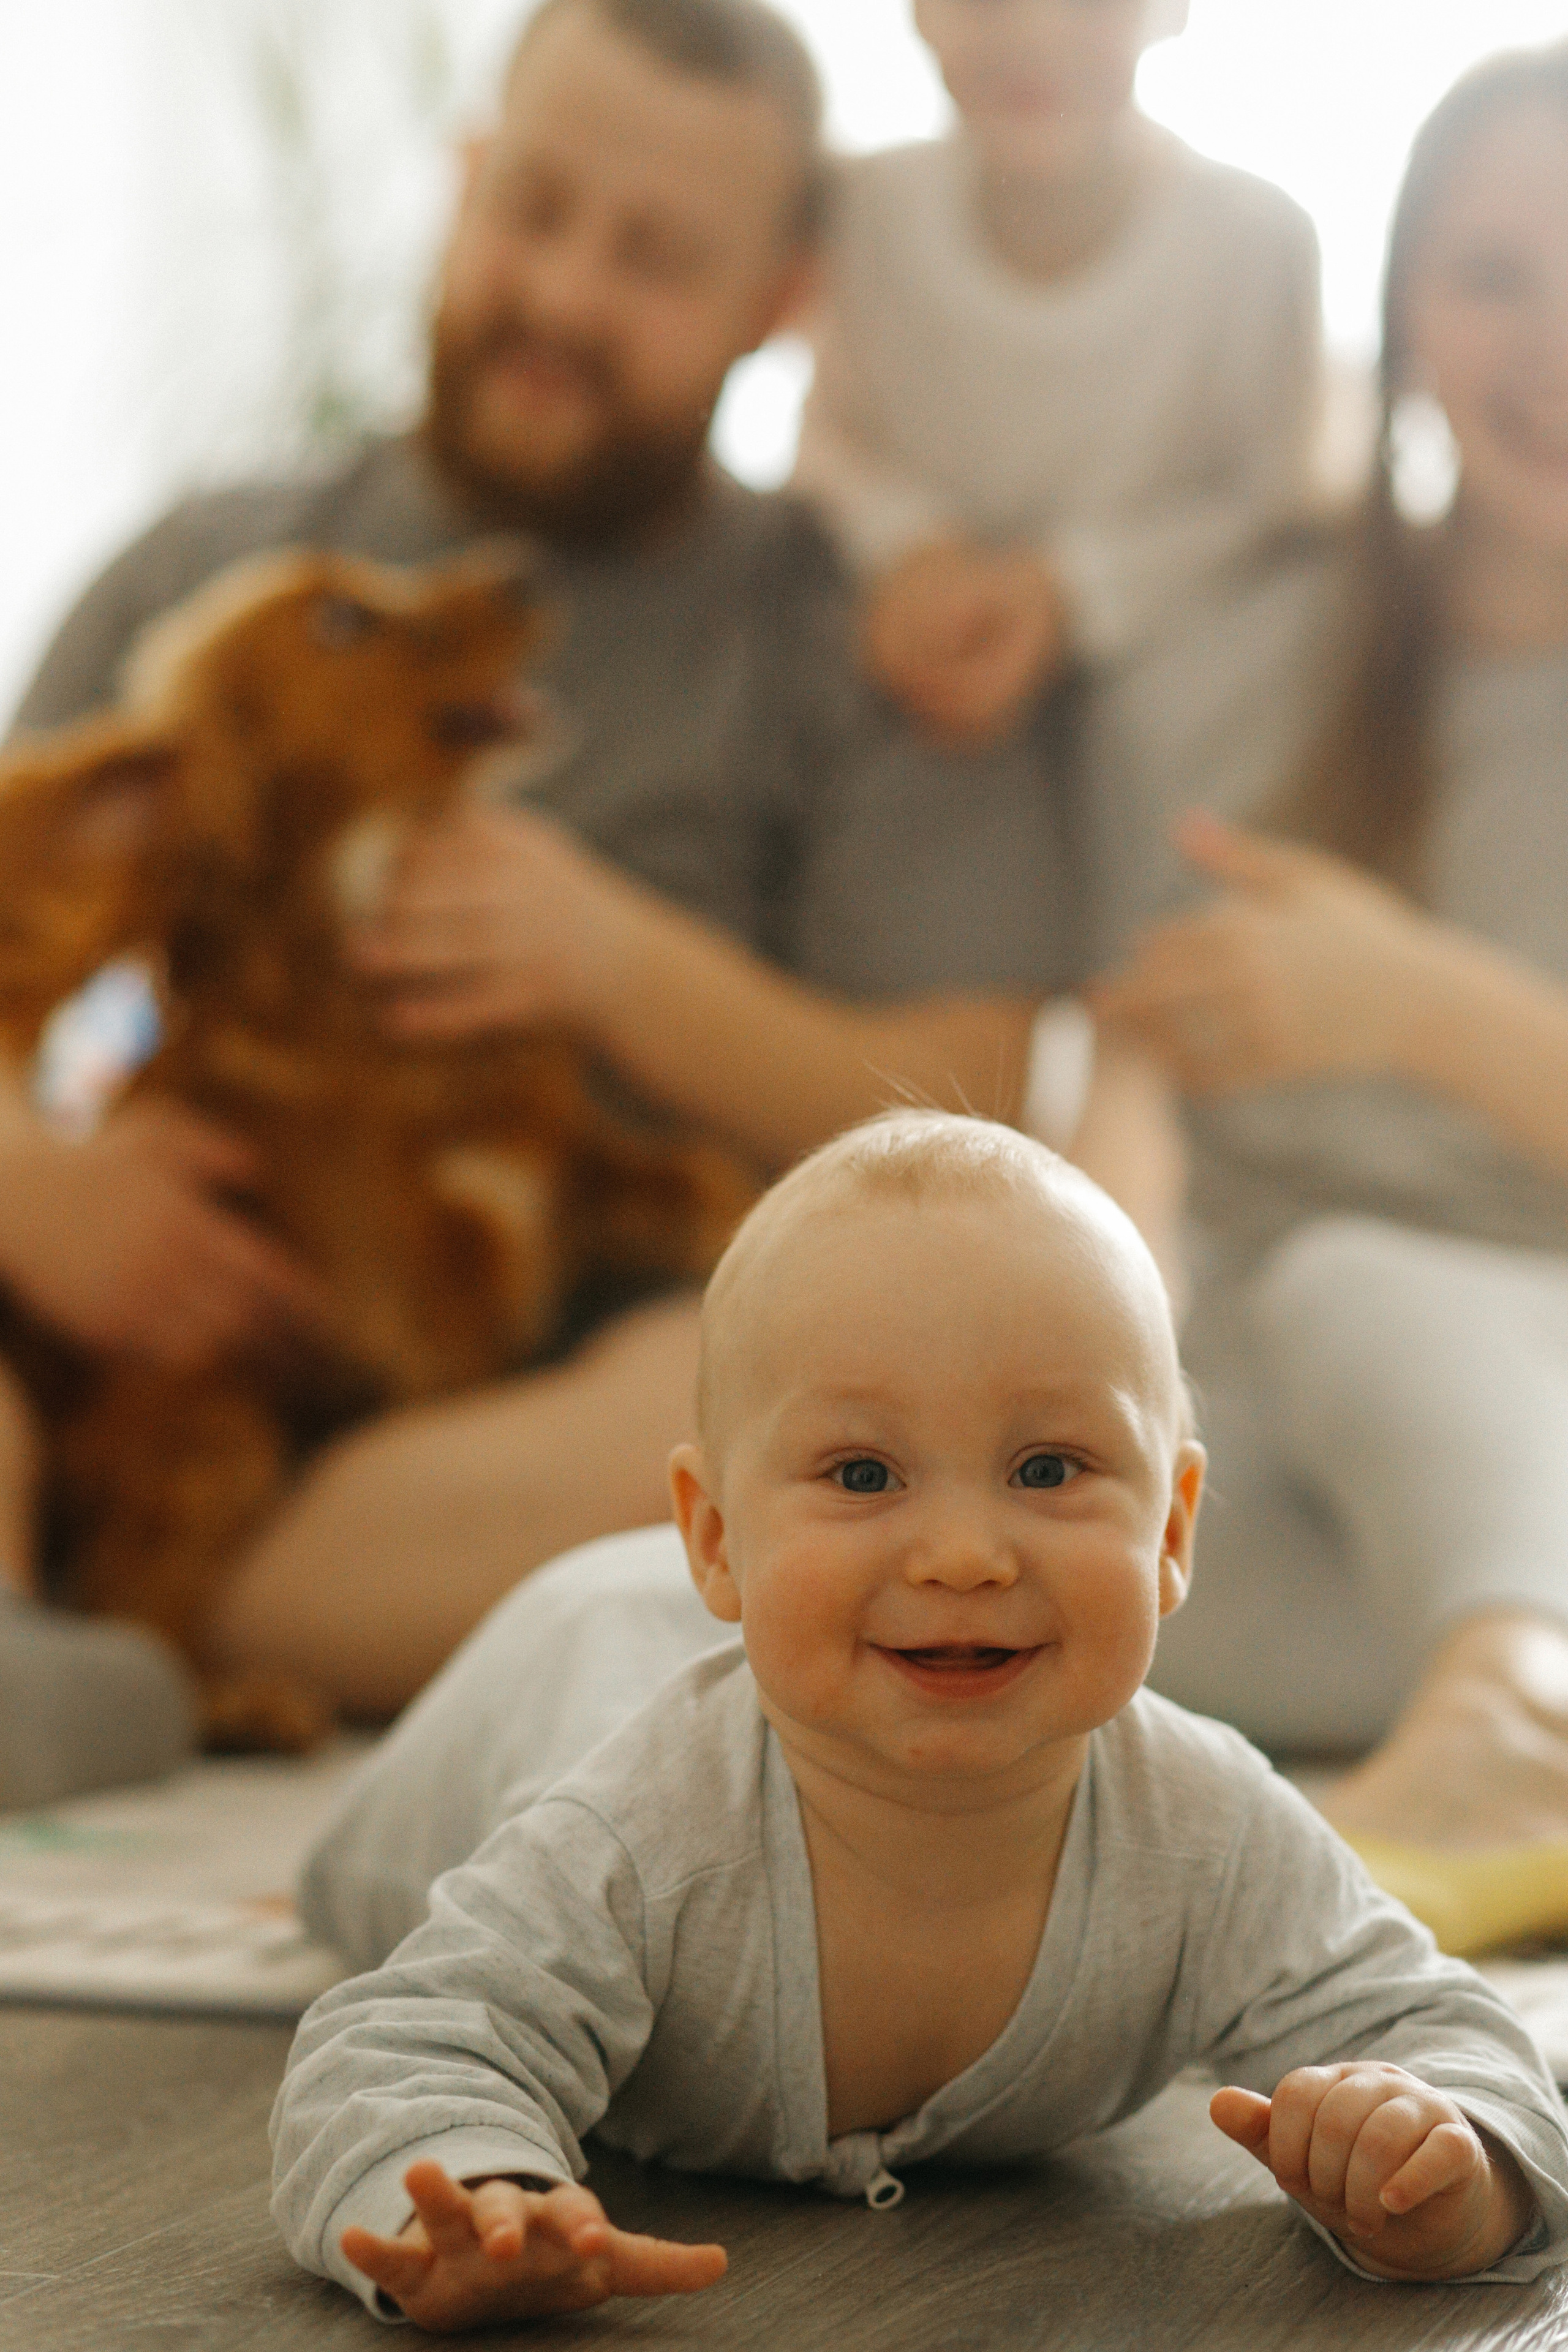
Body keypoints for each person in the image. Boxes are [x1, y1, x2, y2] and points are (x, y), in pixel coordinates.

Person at [0, 0, 1068, 1801]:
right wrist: (40, 1189)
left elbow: (984, 1114)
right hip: (172, 1309)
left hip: (568, 1344)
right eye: (537, 209)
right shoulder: (210, 571)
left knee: (804, 1401)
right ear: (468, 178)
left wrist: (610, 957)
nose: (563, 293)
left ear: (781, 299)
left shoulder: (845, 634)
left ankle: (139, 1617)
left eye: (652, 256)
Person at [272, 1114, 1567, 2331]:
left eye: (1046, 1470)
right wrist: (474, 2202)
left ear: (1169, 1530)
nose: (961, 1555)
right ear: (714, 1540)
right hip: (557, 1672)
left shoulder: (1206, 1829)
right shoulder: (629, 1832)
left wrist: (1446, 2166)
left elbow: (1439, 2031)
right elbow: (407, 2042)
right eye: (862, 1473)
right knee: (373, 1902)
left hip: (722, 1638)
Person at [1082, 42, 1568, 1955]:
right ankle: (1499, 1665)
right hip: (1280, 1415)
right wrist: (1078, 1342)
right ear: (1402, 319)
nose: (1548, 337)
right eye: (1490, 276)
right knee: (1044, 1563)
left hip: (1499, 1342)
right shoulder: (1238, 669)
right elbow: (1131, 1063)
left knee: (1365, 1280)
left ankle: (1516, 1706)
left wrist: (1413, 999)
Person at [790, 0, 1324, 750]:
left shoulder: (1258, 241)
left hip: (1159, 705)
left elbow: (1269, 511)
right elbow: (828, 440)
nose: (1035, 35)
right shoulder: (865, 205)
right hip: (894, 673)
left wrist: (1067, 590)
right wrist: (912, 550)